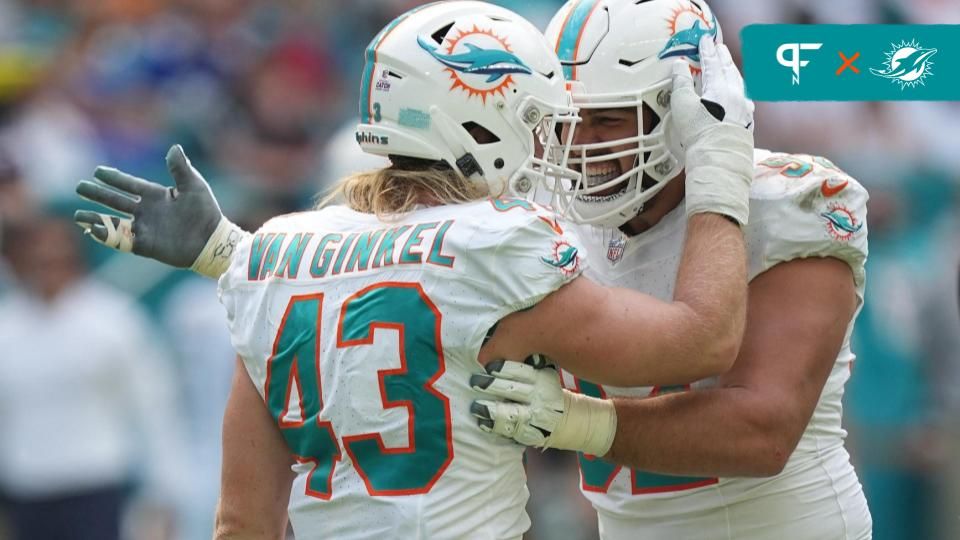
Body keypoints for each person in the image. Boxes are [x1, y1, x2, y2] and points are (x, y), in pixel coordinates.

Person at [72, 1, 756, 537]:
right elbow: (703, 341)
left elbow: (243, 524)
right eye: (538, 120)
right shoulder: (495, 247)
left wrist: (231, 252)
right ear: (481, 120)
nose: (554, 145)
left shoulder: (268, 254)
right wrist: (720, 161)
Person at [471, 0, 872, 538]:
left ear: (688, 109)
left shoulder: (788, 202)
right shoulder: (545, 215)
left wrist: (575, 420)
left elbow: (763, 432)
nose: (581, 147)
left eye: (608, 119)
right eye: (567, 121)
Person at [0, 212, 187, 540]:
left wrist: (166, 489)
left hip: (96, 485)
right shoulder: (8, 325)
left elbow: (153, 405)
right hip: (25, 487)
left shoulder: (114, 321)